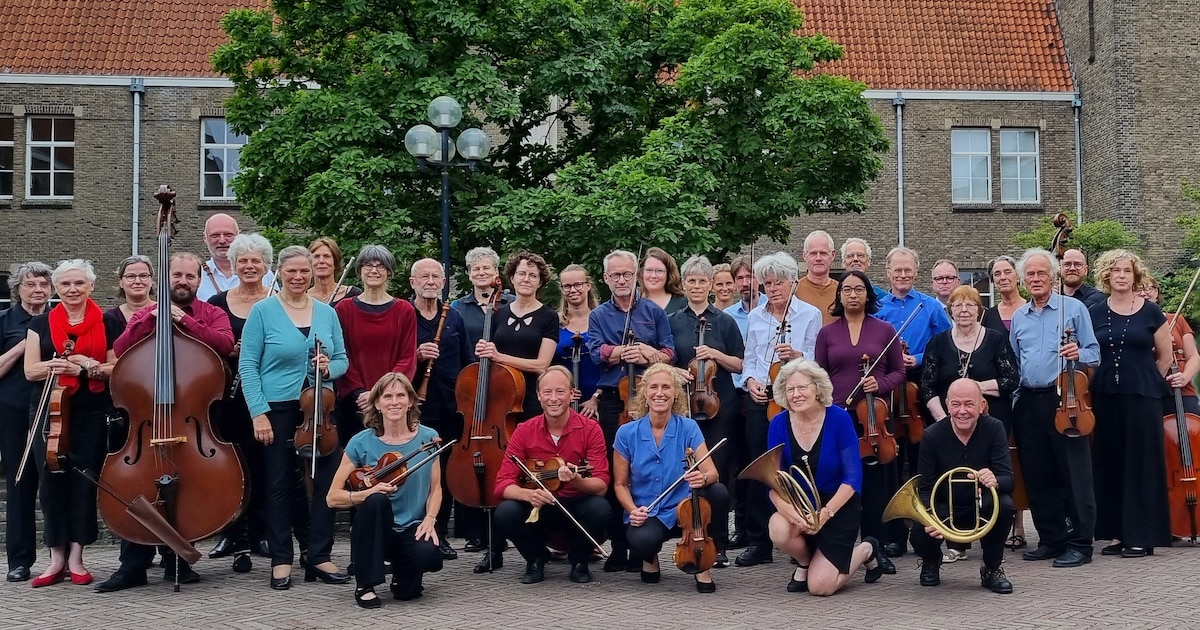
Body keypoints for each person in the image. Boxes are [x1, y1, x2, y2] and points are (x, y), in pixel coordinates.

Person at [96, 252, 236, 593]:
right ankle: (133, 566)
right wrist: (152, 320)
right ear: (166, 278)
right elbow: (122, 347)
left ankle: (178, 559)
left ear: (199, 281)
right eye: (176, 275)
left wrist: (184, 322)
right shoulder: (146, 313)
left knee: (188, 485)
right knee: (136, 487)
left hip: (193, 421)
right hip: (149, 424)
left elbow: (225, 344)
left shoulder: (211, 313)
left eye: (190, 276)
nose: (183, 281)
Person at [239, 245, 349, 590]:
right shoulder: (263, 311)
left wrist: (329, 367)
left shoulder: (327, 313)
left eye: (305, 271)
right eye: (292, 272)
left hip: (321, 409)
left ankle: (318, 555)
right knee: (279, 484)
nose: (299, 277)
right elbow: (248, 366)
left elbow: (344, 360)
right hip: (278, 409)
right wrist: (258, 413)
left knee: (327, 484)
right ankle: (282, 558)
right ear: (280, 273)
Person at [22, 260, 123, 588]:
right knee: (50, 485)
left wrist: (89, 366)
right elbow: (30, 370)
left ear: (91, 286)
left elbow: (116, 368)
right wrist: (58, 364)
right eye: (65, 284)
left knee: (83, 483)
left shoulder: (108, 321)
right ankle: (55, 559)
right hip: (49, 413)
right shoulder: (39, 324)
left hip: (91, 414)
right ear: (56, 288)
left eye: (79, 283)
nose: (73, 289)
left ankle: (77, 557)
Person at [1009, 248, 1099, 568]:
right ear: (1023, 280)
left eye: (1041, 273)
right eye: (1029, 275)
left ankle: (1080, 543)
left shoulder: (1072, 308)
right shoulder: (1020, 316)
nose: (1035, 279)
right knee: (1038, 472)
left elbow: (1094, 353)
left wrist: (1078, 353)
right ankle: (1051, 538)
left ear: (1053, 276)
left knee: (1074, 473)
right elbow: (1016, 361)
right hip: (1029, 401)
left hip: (1065, 398)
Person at [472, 250, 560, 572]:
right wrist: (484, 352)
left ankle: (534, 546)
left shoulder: (548, 316)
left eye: (533, 275)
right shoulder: (497, 312)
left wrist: (498, 355)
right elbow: (488, 358)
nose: (526, 279)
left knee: (531, 473)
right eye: (522, 273)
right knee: (500, 475)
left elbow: (542, 364)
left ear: (540, 282)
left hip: (530, 405)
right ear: (512, 277)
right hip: (498, 406)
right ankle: (494, 548)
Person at [766, 359, 884, 595]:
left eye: (802, 387)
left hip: (837, 506)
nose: (796, 394)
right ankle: (805, 562)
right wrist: (791, 512)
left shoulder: (839, 419)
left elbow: (852, 479)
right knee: (777, 527)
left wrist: (825, 514)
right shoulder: (778, 423)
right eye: (790, 389)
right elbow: (773, 482)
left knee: (821, 587)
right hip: (801, 505)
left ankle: (865, 550)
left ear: (817, 387)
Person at [588, 248, 675, 572]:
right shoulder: (599, 315)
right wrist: (626, 351)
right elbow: (597, 353)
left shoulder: (653, 311)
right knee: (617, 473)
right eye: (616, 275)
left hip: (651, 399)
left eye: (627, 274)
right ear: (607, 278)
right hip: (615, 399)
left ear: (635, 275)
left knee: (646, 471)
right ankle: (619, 546)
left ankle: (644, 545)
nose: (622, 280)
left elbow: (670, 351)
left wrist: (650, 354)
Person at [813, 270, 905, 576]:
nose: (853, 294)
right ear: (839, 296)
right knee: (842, 481)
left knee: (874, 483)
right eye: (847, 290)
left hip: (873, 418)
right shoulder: (827, 333)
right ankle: (839, 545)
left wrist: (879, 384)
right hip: (838, 417)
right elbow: (819, 376)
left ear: (868, 294)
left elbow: (899, 372)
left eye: (859, 289)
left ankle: (875, 545)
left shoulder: (885, 329)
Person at [919, 285, 1020, 561]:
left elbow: (1011, 380)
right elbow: (927, 387)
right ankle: (956, 540)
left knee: (987, 478)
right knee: (953, 481)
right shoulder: (938, 342)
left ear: (980, 310)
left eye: (970, 305)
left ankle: (988, 542)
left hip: (990, 422)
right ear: (949, 310)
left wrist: (976, 387)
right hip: (947, 420)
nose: (964, 310)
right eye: (957, 305)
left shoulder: (997, 339)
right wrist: (946, 419)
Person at [327, 373, 444, 608]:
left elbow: (436, 488)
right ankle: (365, 584)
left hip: (410, 528)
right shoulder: (360, 442)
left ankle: (403, 575)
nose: (394, 402)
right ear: (377, 404)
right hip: (375, 530)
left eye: (401, 395)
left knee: (427, 560)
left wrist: (430, 519)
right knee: (377, 501)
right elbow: (332, 498)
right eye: (387, 396)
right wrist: (366, 493)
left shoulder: (428, 438)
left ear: (410, 401)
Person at [738, 251, 822, 566]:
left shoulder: (810, 314)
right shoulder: (756, 317)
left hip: (796, 398)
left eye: (778, 283)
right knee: (762, 470)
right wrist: (750, 383)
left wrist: (799, 354)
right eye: (767, 283)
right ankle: (760, 543)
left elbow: (816, 360)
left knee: (796, 466)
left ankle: (798, 535)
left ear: (793, 283)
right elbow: (749, 359)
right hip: (763, 399)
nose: (772, 289)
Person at [613, 363, 727, 593]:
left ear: (675, 393)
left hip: (684, 508)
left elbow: (712, 473)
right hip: (649, 509)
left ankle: (703, 563)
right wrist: (632, 509)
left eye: (666, 387)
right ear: (644, 393)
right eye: (653, 387)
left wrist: (701, 479)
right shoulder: (626, 432)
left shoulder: (688, 427)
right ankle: (650, 557)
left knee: (718, 492)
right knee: (642, 540)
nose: (660, 393)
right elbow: (620, 484)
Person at [493, 367, 611, 584]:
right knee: (504, 512)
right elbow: (502, 484)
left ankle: (579, 561)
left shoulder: (591, 429)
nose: (553, 398)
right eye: (547, 392)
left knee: (600, 508)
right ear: (538, 396)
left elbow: (601, 483)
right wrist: (528, 496)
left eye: (560, 391)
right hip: (540, 506)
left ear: (572, 394)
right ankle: (535, 559)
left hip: (575, 504)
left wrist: (577, 479)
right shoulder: (524, 430)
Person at [1089, 250, 1172, 557]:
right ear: (1106, 276)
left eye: (1126, 270)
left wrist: (1146, 379)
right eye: (1115, 270)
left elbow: (1165, 357)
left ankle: (1142, 535)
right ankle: (1116, 534)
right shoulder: (1095, 311)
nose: (1121, 275)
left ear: (1135, 276)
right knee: (1110, 462)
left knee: (1142, 465)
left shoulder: (1151, 311)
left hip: (1143, 397)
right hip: (1106, 396)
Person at [669, 255, 744, 567]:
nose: (697, 286)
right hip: (685, 407)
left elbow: (739, 363)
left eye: (702, 281)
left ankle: (720, 545)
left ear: (711, 285)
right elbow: (666, 359)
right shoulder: (673, 320)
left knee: (717, 475)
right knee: (690, 472)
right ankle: (693, 536)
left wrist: (715, 353)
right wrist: (678, 373)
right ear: (684, 285)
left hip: (719, 406)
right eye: (692, 281)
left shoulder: (725, 321)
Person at [205, 233, 275, 569]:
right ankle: (233, 531)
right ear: (233, 265)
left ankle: (261, 531)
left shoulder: (276, 300)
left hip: (266, 394)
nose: (249, 266)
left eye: (255, 261)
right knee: (231, 465)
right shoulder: (217, 303)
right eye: (242, 261)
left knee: (262, 463)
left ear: (266, 266)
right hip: (227, 396)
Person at [876, 246, 951, 554]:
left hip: (922, 384)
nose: (903, 275)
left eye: (908, 270)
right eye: (897, 270)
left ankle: (927, 530)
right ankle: (893, 535)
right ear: (888, 272)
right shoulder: (878, 307)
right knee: (890, 459)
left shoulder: (930, 307)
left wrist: (917, 358)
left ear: (916, 272)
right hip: (887, 388)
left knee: (924, 458)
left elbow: (945, 346)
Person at [910, 379, 1015, 594]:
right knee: (919, 523)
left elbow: (1009, 479)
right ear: (947, 405)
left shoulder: (995, 428)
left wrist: (994, 479)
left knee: (1005, 505)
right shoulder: (932, 435)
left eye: (969, 404)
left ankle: (992, 567)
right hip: (943, 508)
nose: (962, 411)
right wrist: (929, 517)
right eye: (956, 404)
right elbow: (925, 486)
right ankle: (931, 560)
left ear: (981, 405)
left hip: (981, 506)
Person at [409, 257, 472, 560]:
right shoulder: (405, 314)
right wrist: (417, 354)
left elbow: (466, 359)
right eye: (424, 277)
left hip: (451, 405)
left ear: (444, 283)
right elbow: (396, 357)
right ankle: (412, 530)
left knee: (443, 471)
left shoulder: (454, 317)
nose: (431, 281)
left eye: (437, 276)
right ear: (413, 283)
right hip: (416, 405)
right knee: (417, 471)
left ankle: (439, 533)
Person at [335, 245, 418, 449]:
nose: (374, 270)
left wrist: (383, 394)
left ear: (389, 272)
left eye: (381, 266)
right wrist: (360, 393)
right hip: (355, 402)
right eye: (368, 265)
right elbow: (341, 355)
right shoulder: (343, 309)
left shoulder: (404, 310)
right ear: (359, 271)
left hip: (393, 402)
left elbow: (407, 357)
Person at [0, 262, 52, 582]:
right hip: (15, 413)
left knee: (56, 485)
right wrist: (26, 342)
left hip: (57, 412)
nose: (38, 290)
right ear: (18, 289)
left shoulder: (60, 320)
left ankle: (60, 557)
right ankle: (19, 560)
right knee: (20, 487)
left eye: (43, 285)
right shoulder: (5, 322)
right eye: (30, 285)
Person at [1138, 276, 1200, 415]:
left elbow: (1194, 357)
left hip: (1181, 388)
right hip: (1149, 390)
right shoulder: (1132, 325)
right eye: (1138, 289)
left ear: (1157, 293)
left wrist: (1184, 377)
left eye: (1150, 288)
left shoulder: (1177, 320)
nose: (1144, 293)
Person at [554, 263, 602, 420]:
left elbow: (613, 366)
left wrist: (596, 397)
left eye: (578, 285)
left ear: (588, 286)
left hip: (599, 400)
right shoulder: (554, 322)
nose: (572, 290)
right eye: (567, 286)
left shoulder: (603, 320)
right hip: (562, 402)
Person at [196, 212, 274, 301]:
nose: (222, 240)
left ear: (239, 235)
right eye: (215, 235)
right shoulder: (196, 274)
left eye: (228, 235)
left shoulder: (265, 274)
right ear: (205, 238)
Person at [452, 246, 513, 355]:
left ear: (496, 271)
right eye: (476, 269)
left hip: (508, 370)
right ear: (469, 275)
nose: (481, 273)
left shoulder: (513, 303)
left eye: (486, 268)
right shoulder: (457, 307)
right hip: (470, 370)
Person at [794, 231, 839, 325]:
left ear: (833, 254)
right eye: (813, 253)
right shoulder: (794, 290)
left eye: (823, 253)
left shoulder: (842, 291)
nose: (818, 258)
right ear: (804, 255)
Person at [308, 237, 363, 306]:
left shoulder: (353, 294)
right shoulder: (302, 297)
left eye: (326, 256)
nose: (321, 261)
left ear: (335, 262)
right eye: (316, 256)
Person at [981, 255, 1026, 333]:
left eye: (1007, 272)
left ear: (1018, 277)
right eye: (997, 274)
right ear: (993, 281)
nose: (1003, 277)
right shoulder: (988, 316)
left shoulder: (1033, 310)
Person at [108, 255, 155, 325]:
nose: (138, 281)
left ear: (151, 281)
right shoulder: (109, 318)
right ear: (121, 282)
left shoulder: (164, 312)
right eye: (130, 276)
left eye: (143, 276)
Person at [641, 247, 688, 315]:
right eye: (649, 270)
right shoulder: (632, 302)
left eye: (659, 271)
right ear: (642, 272)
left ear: (668, 274)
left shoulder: (682, 304)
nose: (653, 276)